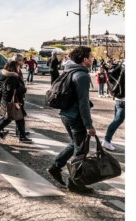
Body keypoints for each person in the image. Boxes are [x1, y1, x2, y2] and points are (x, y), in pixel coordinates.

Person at [46, 46, 95, 194]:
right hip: (75, 117)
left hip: (65, 114)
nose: (93, 59)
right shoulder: (82, 76)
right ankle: (74, 183)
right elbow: (83, 103)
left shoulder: (69, 70)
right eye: (91, 57)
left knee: (75, 144)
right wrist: (89, 125)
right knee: (81, 150)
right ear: (85, 59)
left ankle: (56, 166)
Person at [0, 60, 31, 143]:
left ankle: (22, 136)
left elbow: (2, 90)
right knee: (10, 119)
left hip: (10, 101)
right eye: (17, 66)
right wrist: (23, 89)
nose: (18, 67)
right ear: (14, 67)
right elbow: (9, 91)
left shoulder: (8, 77)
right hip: (13, 102)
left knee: (19, 119)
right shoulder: (13, 78)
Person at [103, 64, 125, 151]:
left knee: (116, 120)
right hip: (124, 100)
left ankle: (107, 140)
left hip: (118, 98)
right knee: (117, 121)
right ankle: (106, 140)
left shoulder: (121, 65)